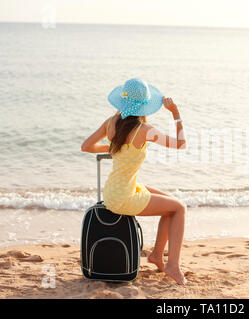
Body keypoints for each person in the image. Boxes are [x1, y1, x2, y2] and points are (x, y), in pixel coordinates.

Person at [81, 78, 187, 285]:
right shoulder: (144, 130)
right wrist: (175, 113)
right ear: (145, 105)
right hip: (124, 197)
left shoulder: (111, 122)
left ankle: (157, 255)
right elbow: (181, 144)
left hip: (114, 190)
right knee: (179, 208)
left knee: (171, 204)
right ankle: (173, 265)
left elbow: (86, 146)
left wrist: (113, 148)